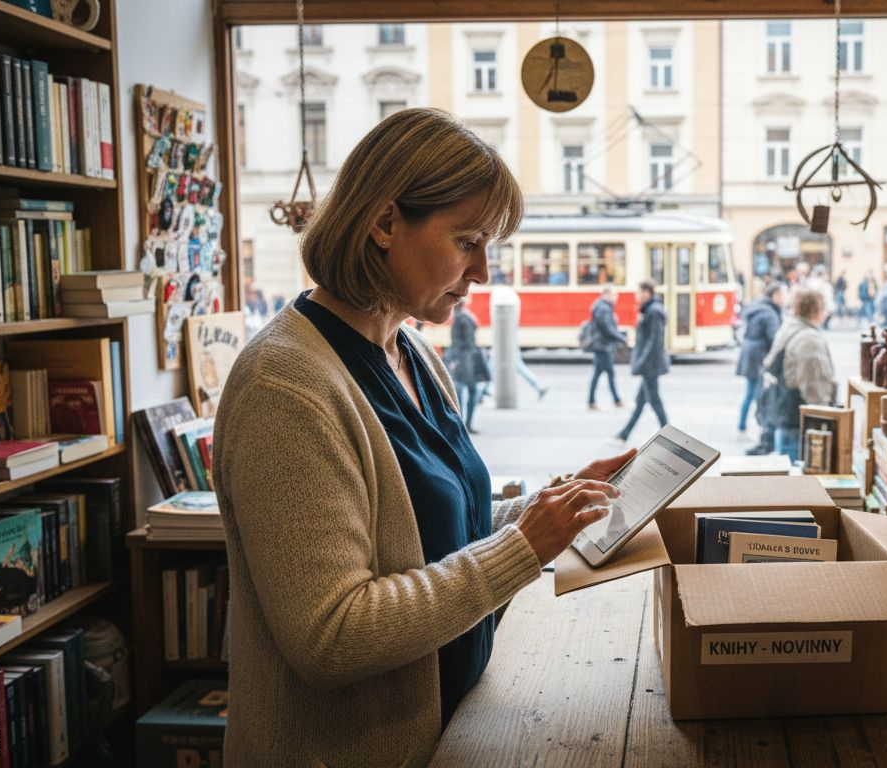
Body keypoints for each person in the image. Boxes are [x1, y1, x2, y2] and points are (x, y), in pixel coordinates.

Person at [212, 107, 636, 767]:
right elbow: (332, 636)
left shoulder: (408, 350)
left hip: (445, 734)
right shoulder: (285, 388)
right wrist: (525, 548)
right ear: (384, 223)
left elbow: (429, 532)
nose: (485, 272)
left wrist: (551, 509)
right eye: (468, 241)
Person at [762, 287, 837, 462]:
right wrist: (825, 418)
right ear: (817, 309)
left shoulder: (789, 328)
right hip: (799, 420)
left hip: (784, 413)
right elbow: (814, 384)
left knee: (786, 468)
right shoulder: (809, 339)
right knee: (797, 475)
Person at [617, 279, 669, 441]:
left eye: (639, 292)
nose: (637, 296)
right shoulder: (649, 310)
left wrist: (640, 362)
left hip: (650, 365)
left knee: (654, 400)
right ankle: (624, 433)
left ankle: (668, 433)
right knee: (641, 401)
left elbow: (654, 341)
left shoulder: (654, 312)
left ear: (647, 293)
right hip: (649, 364)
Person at [735, 281, 784, 443]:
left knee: (751, 392)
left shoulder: (760, 307)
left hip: (749, 354)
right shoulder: (770, 313)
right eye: (783, 294)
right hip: (757, 357)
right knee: (756, 394)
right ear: (775, 296)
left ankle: (743, 426)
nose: (785, 298)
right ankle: (760, 428)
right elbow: (774, 339)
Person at [445, 302, 488, 433]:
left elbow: (457, 343)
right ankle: (465, 424)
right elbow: (468, 343)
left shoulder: (459, 318)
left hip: (462, 359)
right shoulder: (465, 318)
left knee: (462, 391)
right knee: (470, 391)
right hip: (467, 361)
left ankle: (462, 424)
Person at [587, 284, 626, 410]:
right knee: (609, 373)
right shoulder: (603, 308)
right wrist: (621, 338)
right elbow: (607, 328)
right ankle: (616, 400)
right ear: (606, 294)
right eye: (614, 295)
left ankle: (592, 401)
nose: (616, 298)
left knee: (598, 374)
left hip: (601, 345)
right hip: (603, 346)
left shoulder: (601, 306)